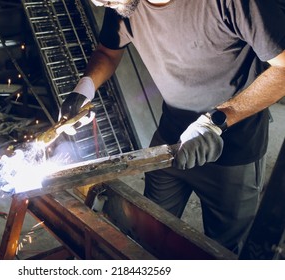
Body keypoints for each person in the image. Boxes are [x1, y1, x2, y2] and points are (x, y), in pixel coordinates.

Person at [59, 0, 285, 255]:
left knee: (220, 252)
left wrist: (217, 120)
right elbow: (108, 52)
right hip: (169, 141)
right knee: (148, 234)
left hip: (232, 149)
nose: (98, 2)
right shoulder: (123, 5)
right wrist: (85, 87)